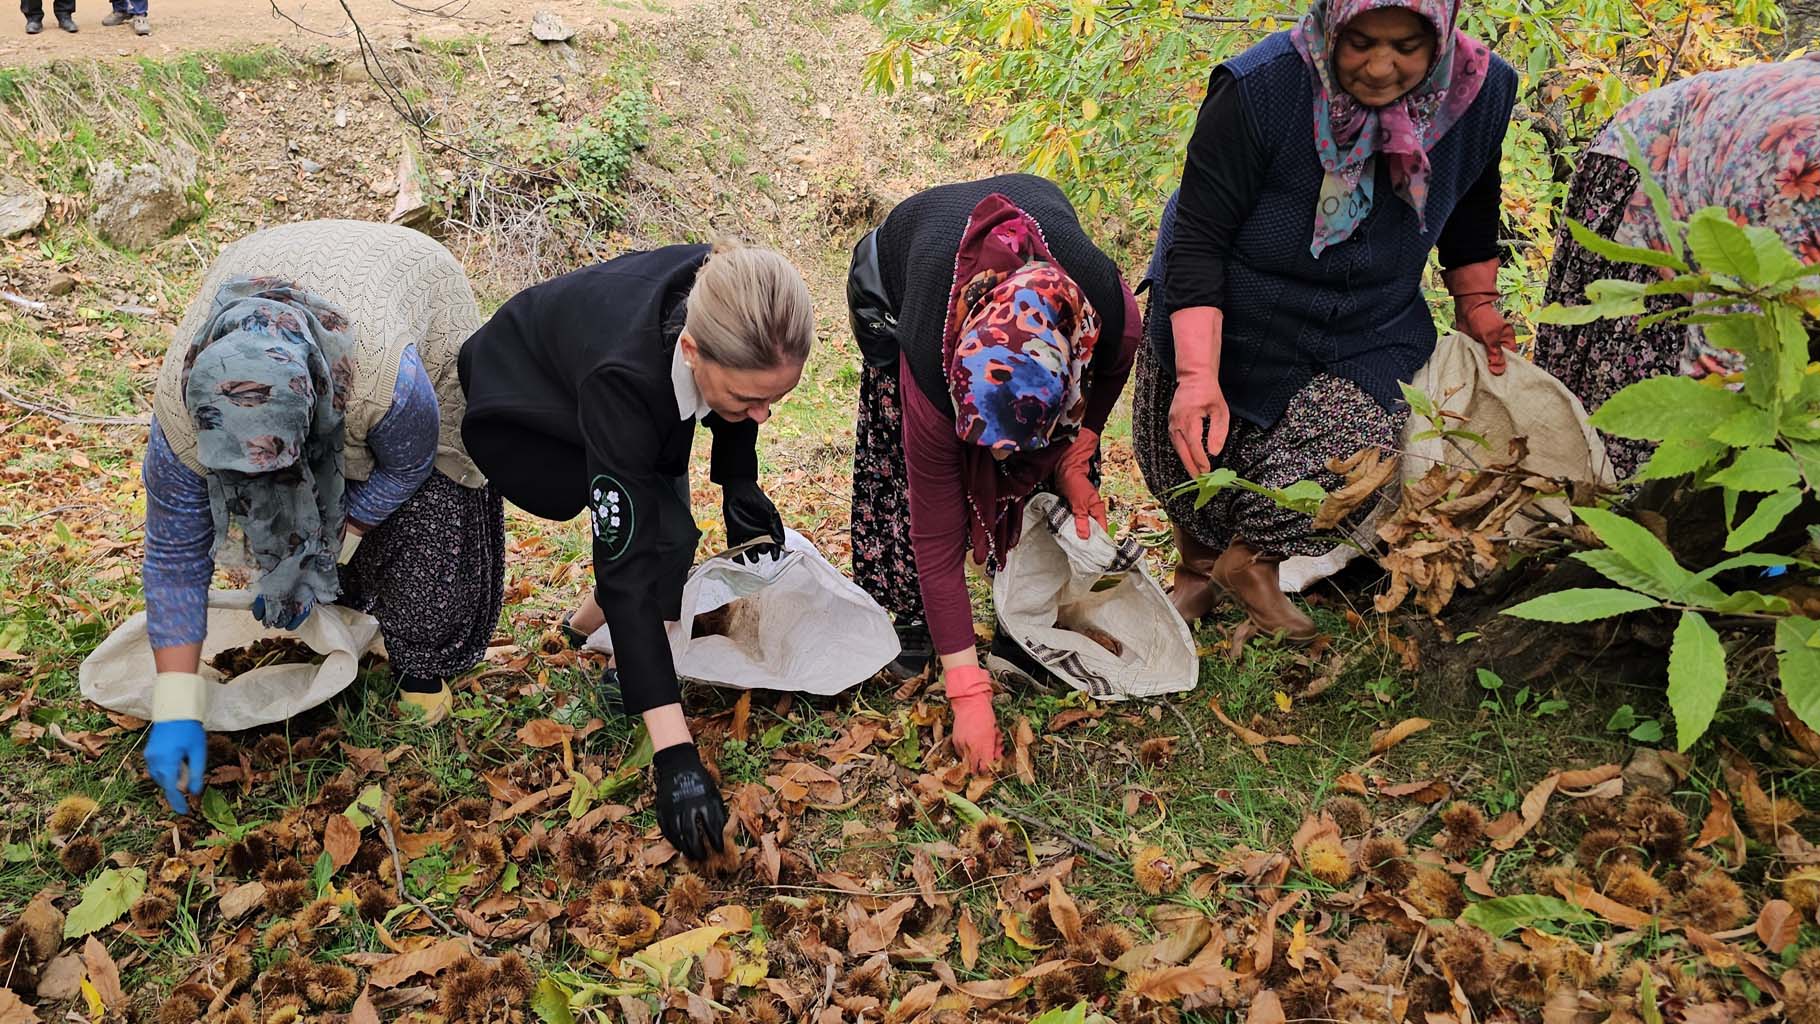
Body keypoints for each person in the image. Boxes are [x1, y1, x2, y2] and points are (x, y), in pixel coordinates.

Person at [1133, 0, 1517, 638]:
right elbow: (1199, 237)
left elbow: (1475, 197)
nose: (1380, 66)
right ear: (1332, 24)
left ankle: (1251, 562)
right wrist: (1198, 373)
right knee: (1192, 447)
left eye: (1405, 47)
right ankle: (1196, 571)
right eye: (1360, 42)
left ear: (1442, 35)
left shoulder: (1480, 89)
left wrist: (1478, 305)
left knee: (1354, 447)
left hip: (1367, 309)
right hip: (1228, 291)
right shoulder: (1261, 87)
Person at [459, 241, 812, 862]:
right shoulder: (622, 381)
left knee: (670, 537)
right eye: (747, 401)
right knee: (649, 549)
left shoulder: (726, 292)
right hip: (524, 401)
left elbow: (734, 404)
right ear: (694, 349)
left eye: (774, 400)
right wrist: (675, 756)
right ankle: (620, 658)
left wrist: (739, 481)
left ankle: (578, 628)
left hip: (619, 375)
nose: (762, 415)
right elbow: (622, 565)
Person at [141, 220, 504, 814]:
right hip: (274, 259)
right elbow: (175, 559)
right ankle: (357, 621)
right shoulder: (179, 427)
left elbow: (405, 468)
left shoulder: (388, 384)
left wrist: (345, 534)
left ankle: (422, 663)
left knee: (429, 509)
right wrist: (177, 703)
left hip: (411, 283)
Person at [846, 175, 1141, 772]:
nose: (1004, 458)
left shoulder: (1103, 313)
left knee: (1046, 473)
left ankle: (1022, 621)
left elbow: (1110, 371)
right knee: (908, 486)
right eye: (993, 443)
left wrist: (1076, 457)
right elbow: (934, 539)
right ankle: (913, 619)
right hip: (898, 285)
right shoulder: (932, 370)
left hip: (1041, 321)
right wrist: (968, 693)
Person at [1535, 58, 1820, 479]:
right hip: (1654, 159)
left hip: (1739, 163)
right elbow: (1726, 351)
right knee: (1640, 427)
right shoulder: (1801, 188)